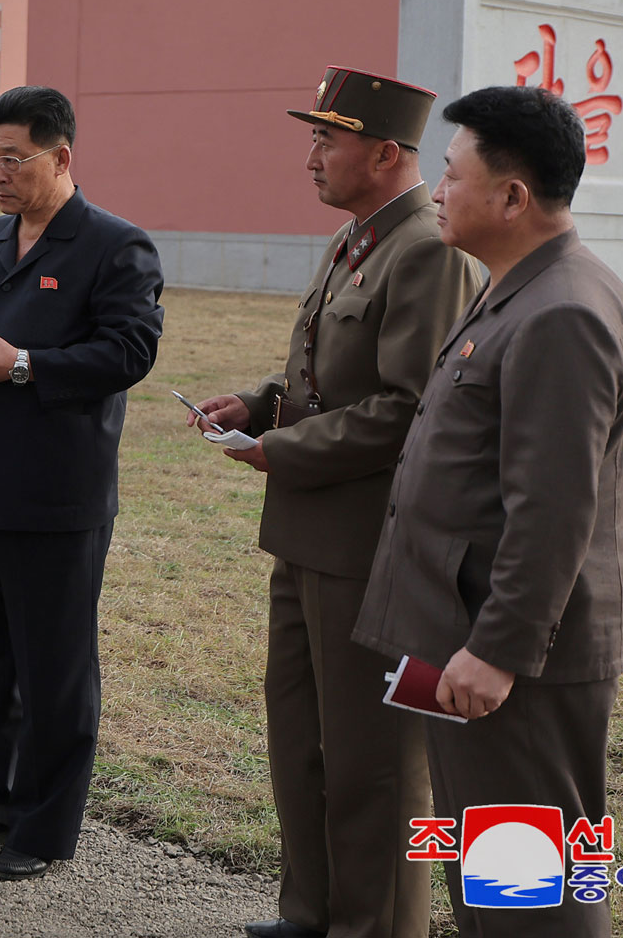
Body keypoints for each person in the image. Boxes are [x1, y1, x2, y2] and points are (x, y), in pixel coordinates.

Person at [192, 69, 482, 938]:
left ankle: (376, 924)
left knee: (374, 761)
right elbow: (326, 374)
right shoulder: (358, 237)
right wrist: (261, 400)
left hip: (374, 546)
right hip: (310, 534)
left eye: (328, 137)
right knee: (303, 737)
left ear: (386, 152)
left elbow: (408, 409)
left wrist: (278, 450)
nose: (311, 155)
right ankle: (311, 909)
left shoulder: (426, 249)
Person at [353, 86, 623, 938]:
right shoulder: (518, 287)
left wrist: (498, 651)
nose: (436, 191)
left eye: (450, 174)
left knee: (530, 892)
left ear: (512, 197)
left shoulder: (564, 313)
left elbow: (555, 510)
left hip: (513, 658)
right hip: (473, 637)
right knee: (495, 882)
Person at [0, 85, 163, 881]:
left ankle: (43, 826)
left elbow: (128, 352)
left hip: (57, 492)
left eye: (13, 158)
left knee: (53, 666)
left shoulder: (116, 246)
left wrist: (20, 364)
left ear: (62, 157)